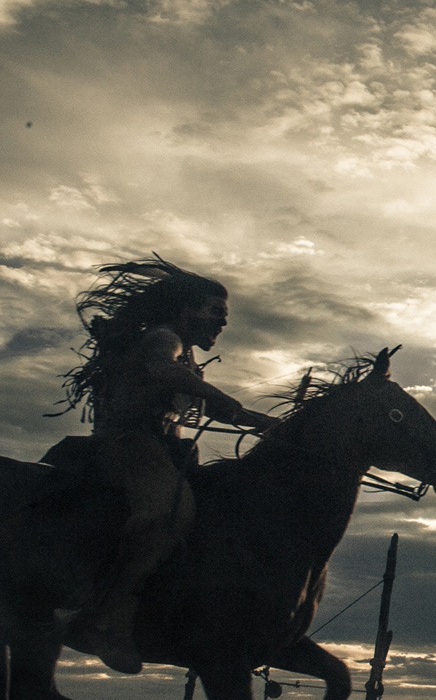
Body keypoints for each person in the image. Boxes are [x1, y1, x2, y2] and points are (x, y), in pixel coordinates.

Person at [52, 257, 275, 674]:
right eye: (216, 312)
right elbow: (162, 370)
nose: (222, 323)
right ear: (185, 309)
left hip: (161, 449)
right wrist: (230, 405)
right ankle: (100, 614)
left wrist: (260, 422)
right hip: (129, 446)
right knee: (169, 512)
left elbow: (197, 392)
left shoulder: (182, 350)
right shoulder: (164, 338)